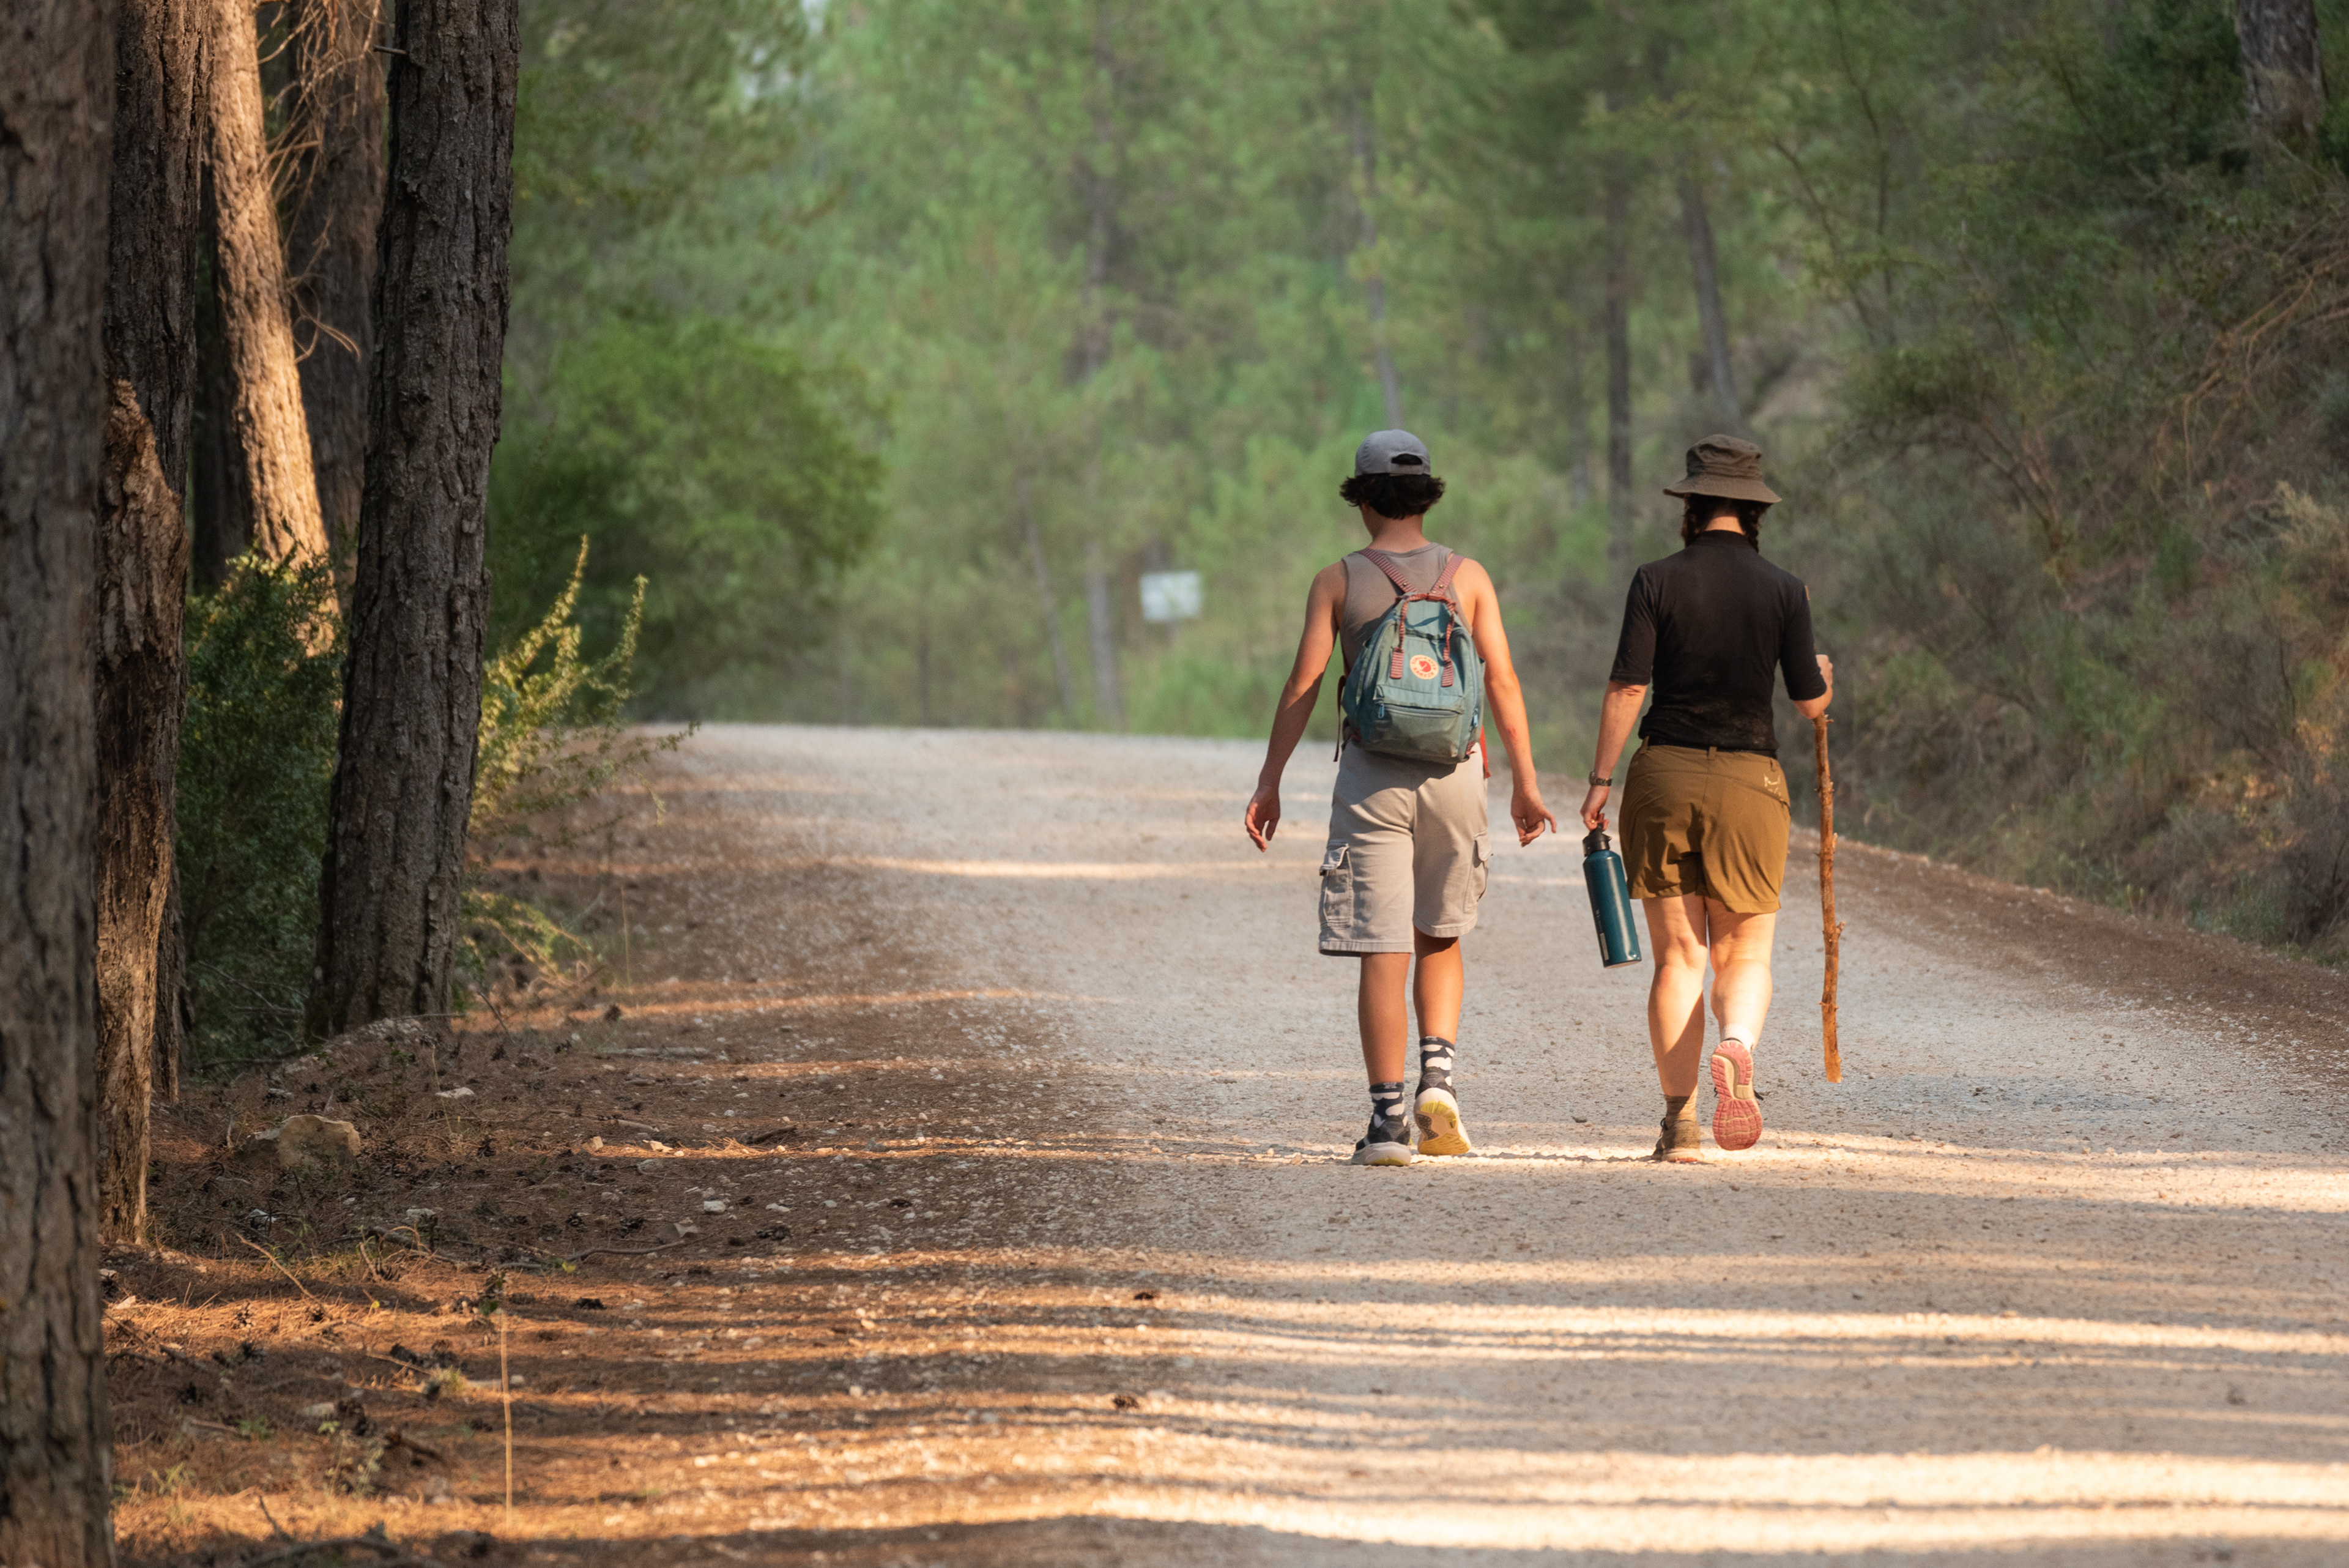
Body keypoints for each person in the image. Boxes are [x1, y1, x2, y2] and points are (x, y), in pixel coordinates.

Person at [1245, 430, 1557, 1166]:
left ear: (1362, 499)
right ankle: (1437, 1082)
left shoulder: (1338, 580)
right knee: (1439, 933)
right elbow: (1502, 680)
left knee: (1382, 946)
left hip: (1372, 776)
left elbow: (1303, 685)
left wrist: (1270, 780)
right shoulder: (1469, 576)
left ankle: (1387, 1124)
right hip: (1457, 773)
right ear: (1426, 496)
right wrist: (1527, 782)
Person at [1580, 434, 1833, 1162]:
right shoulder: (1785, 590)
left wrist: (1600, 780)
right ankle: (1737, 1043)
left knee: (1680, 958)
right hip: (1751, 783)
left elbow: (1628, 687)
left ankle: (1681, 1125)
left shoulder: (1655, 580)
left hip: (1664, 775)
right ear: (1756, 512)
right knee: (1743, 949)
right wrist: (1823, 675)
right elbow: (1810, 703)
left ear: (1689, 505)